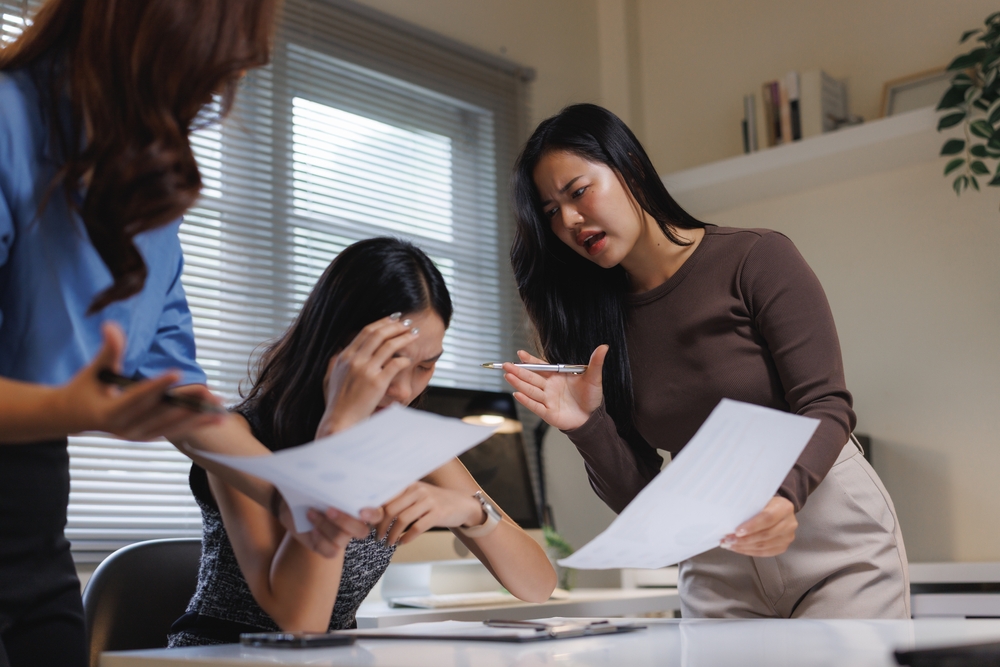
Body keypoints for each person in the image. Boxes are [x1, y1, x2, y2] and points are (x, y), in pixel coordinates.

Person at [504, 103, 908, 619]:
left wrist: (784, 499)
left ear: (627, 166)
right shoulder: (595, 327)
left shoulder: (756, 258)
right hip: (716, 558)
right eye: (550, 212)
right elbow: (644, 496)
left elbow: (826, 404)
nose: (569, 220)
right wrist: (585, 425)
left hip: (828, 531)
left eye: (577, 192)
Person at [0, 2, 287, 665]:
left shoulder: (143, 190)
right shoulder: (11, 121)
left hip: (32, 529)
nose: (220, 90)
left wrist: (298, 491)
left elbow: (181, 397)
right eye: (216, 63)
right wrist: (67, 408)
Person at [168, 237, 556, 646]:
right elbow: (302, 621)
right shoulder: (241, 439)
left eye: (426, 366)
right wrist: (340, 428)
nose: (404, 391)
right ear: (336, 347)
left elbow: (538, 584)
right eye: (389, 363)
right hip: (224, 654)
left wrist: (470, 512)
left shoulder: (405, 437)